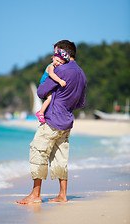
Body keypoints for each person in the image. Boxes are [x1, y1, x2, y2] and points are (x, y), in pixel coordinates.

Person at [16, 40, 87, 204]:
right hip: (67, 121)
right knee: (61, 158)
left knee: (38, 152)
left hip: (52, 120)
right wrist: (66, 104)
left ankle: (35, 195)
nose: (54, 58)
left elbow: (41, 92)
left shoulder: (60, 69)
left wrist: (56, 99)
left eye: (56, 53)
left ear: (63, 53)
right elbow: (81, 103)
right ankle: (62, 195)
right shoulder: (82, 74)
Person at [36, 48, 70, 124]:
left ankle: (44, 111)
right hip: (44, 85)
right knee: (50, 98)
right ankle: (40, 113)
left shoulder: (56, 67)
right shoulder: (51, 66)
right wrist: (60, 81)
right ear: (53, 58)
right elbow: (51, 74)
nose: (57, 63)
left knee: (51, 99)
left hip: (49, 86)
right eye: (57, 60)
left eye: (60, 63)